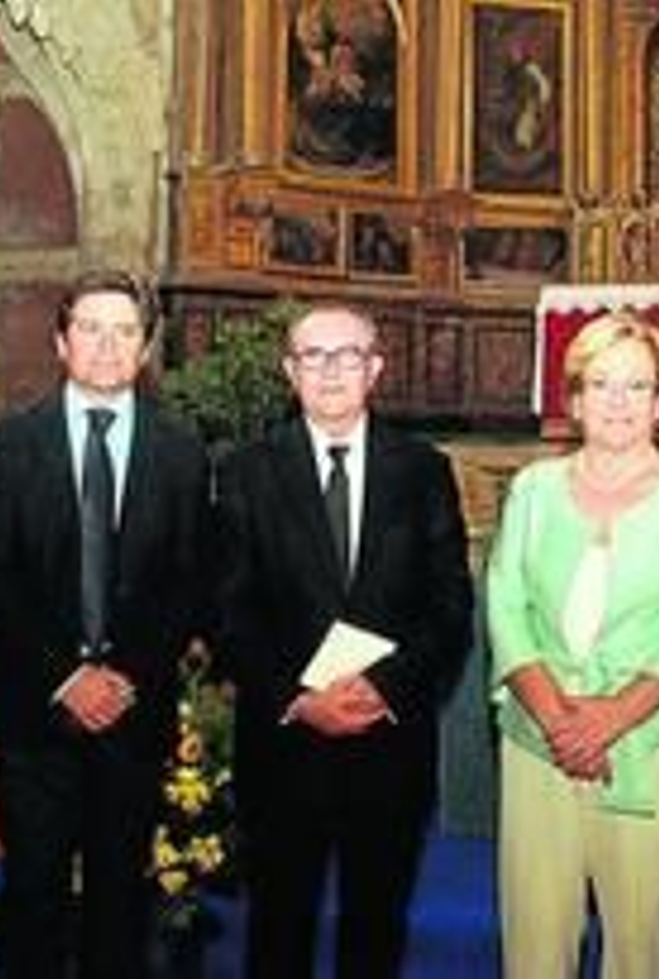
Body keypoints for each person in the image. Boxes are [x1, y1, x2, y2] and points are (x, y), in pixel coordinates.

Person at [214, 304, 474, 979]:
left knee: (376, 930)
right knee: (277, 930)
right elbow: (228, 607)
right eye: (313, 355)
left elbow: (449, 605)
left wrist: (381, 687)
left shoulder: (423, 470)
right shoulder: (244, 470)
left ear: (376, 368)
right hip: (282, 742)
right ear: (289, 371)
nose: (331, 370)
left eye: (348, 354)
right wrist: (298, 696)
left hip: (388, 739)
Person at [0, 269, 209, 978]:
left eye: (125, 331)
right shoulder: (11, 446)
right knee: (33, 897)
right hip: (34, 713)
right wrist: (68, 676)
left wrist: (125, 675)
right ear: (61, 342)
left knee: (120, 904)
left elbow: (191, 582)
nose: (108, 346)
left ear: (145, 348)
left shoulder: (182, 453)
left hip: (133, 716)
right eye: (91, 329)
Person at [486, 312, 659, 979]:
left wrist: (610, 717)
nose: (618, 401)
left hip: (652, 743)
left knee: (640, 947)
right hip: (537, 741)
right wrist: (557, 716)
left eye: (636, 385)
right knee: (534, 942)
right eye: (600, 383)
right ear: (573, 399)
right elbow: (506, 604)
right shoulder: (534, 489)